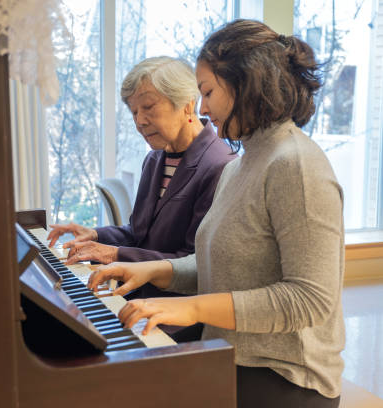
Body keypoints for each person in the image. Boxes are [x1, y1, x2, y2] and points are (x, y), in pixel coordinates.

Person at [88, 20, 344, 408]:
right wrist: (154, 270)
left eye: (207, 92)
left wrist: (189, 307)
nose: (202, 108)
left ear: (247, 82)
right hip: (230, 354)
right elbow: (220, 266)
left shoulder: (296, 165)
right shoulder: (239, 166)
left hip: (284, 375)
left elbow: (309, 299)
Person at [47, 56, 235, 275]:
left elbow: (195, 262)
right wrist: (95, 235)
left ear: (187, 104)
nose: (140, 121)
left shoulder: (220, 166)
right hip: (137, 294)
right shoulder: (154, 159)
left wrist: (114, 254)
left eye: (148, 107)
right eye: (134, 111)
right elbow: (140, 235)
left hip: (173, 304)